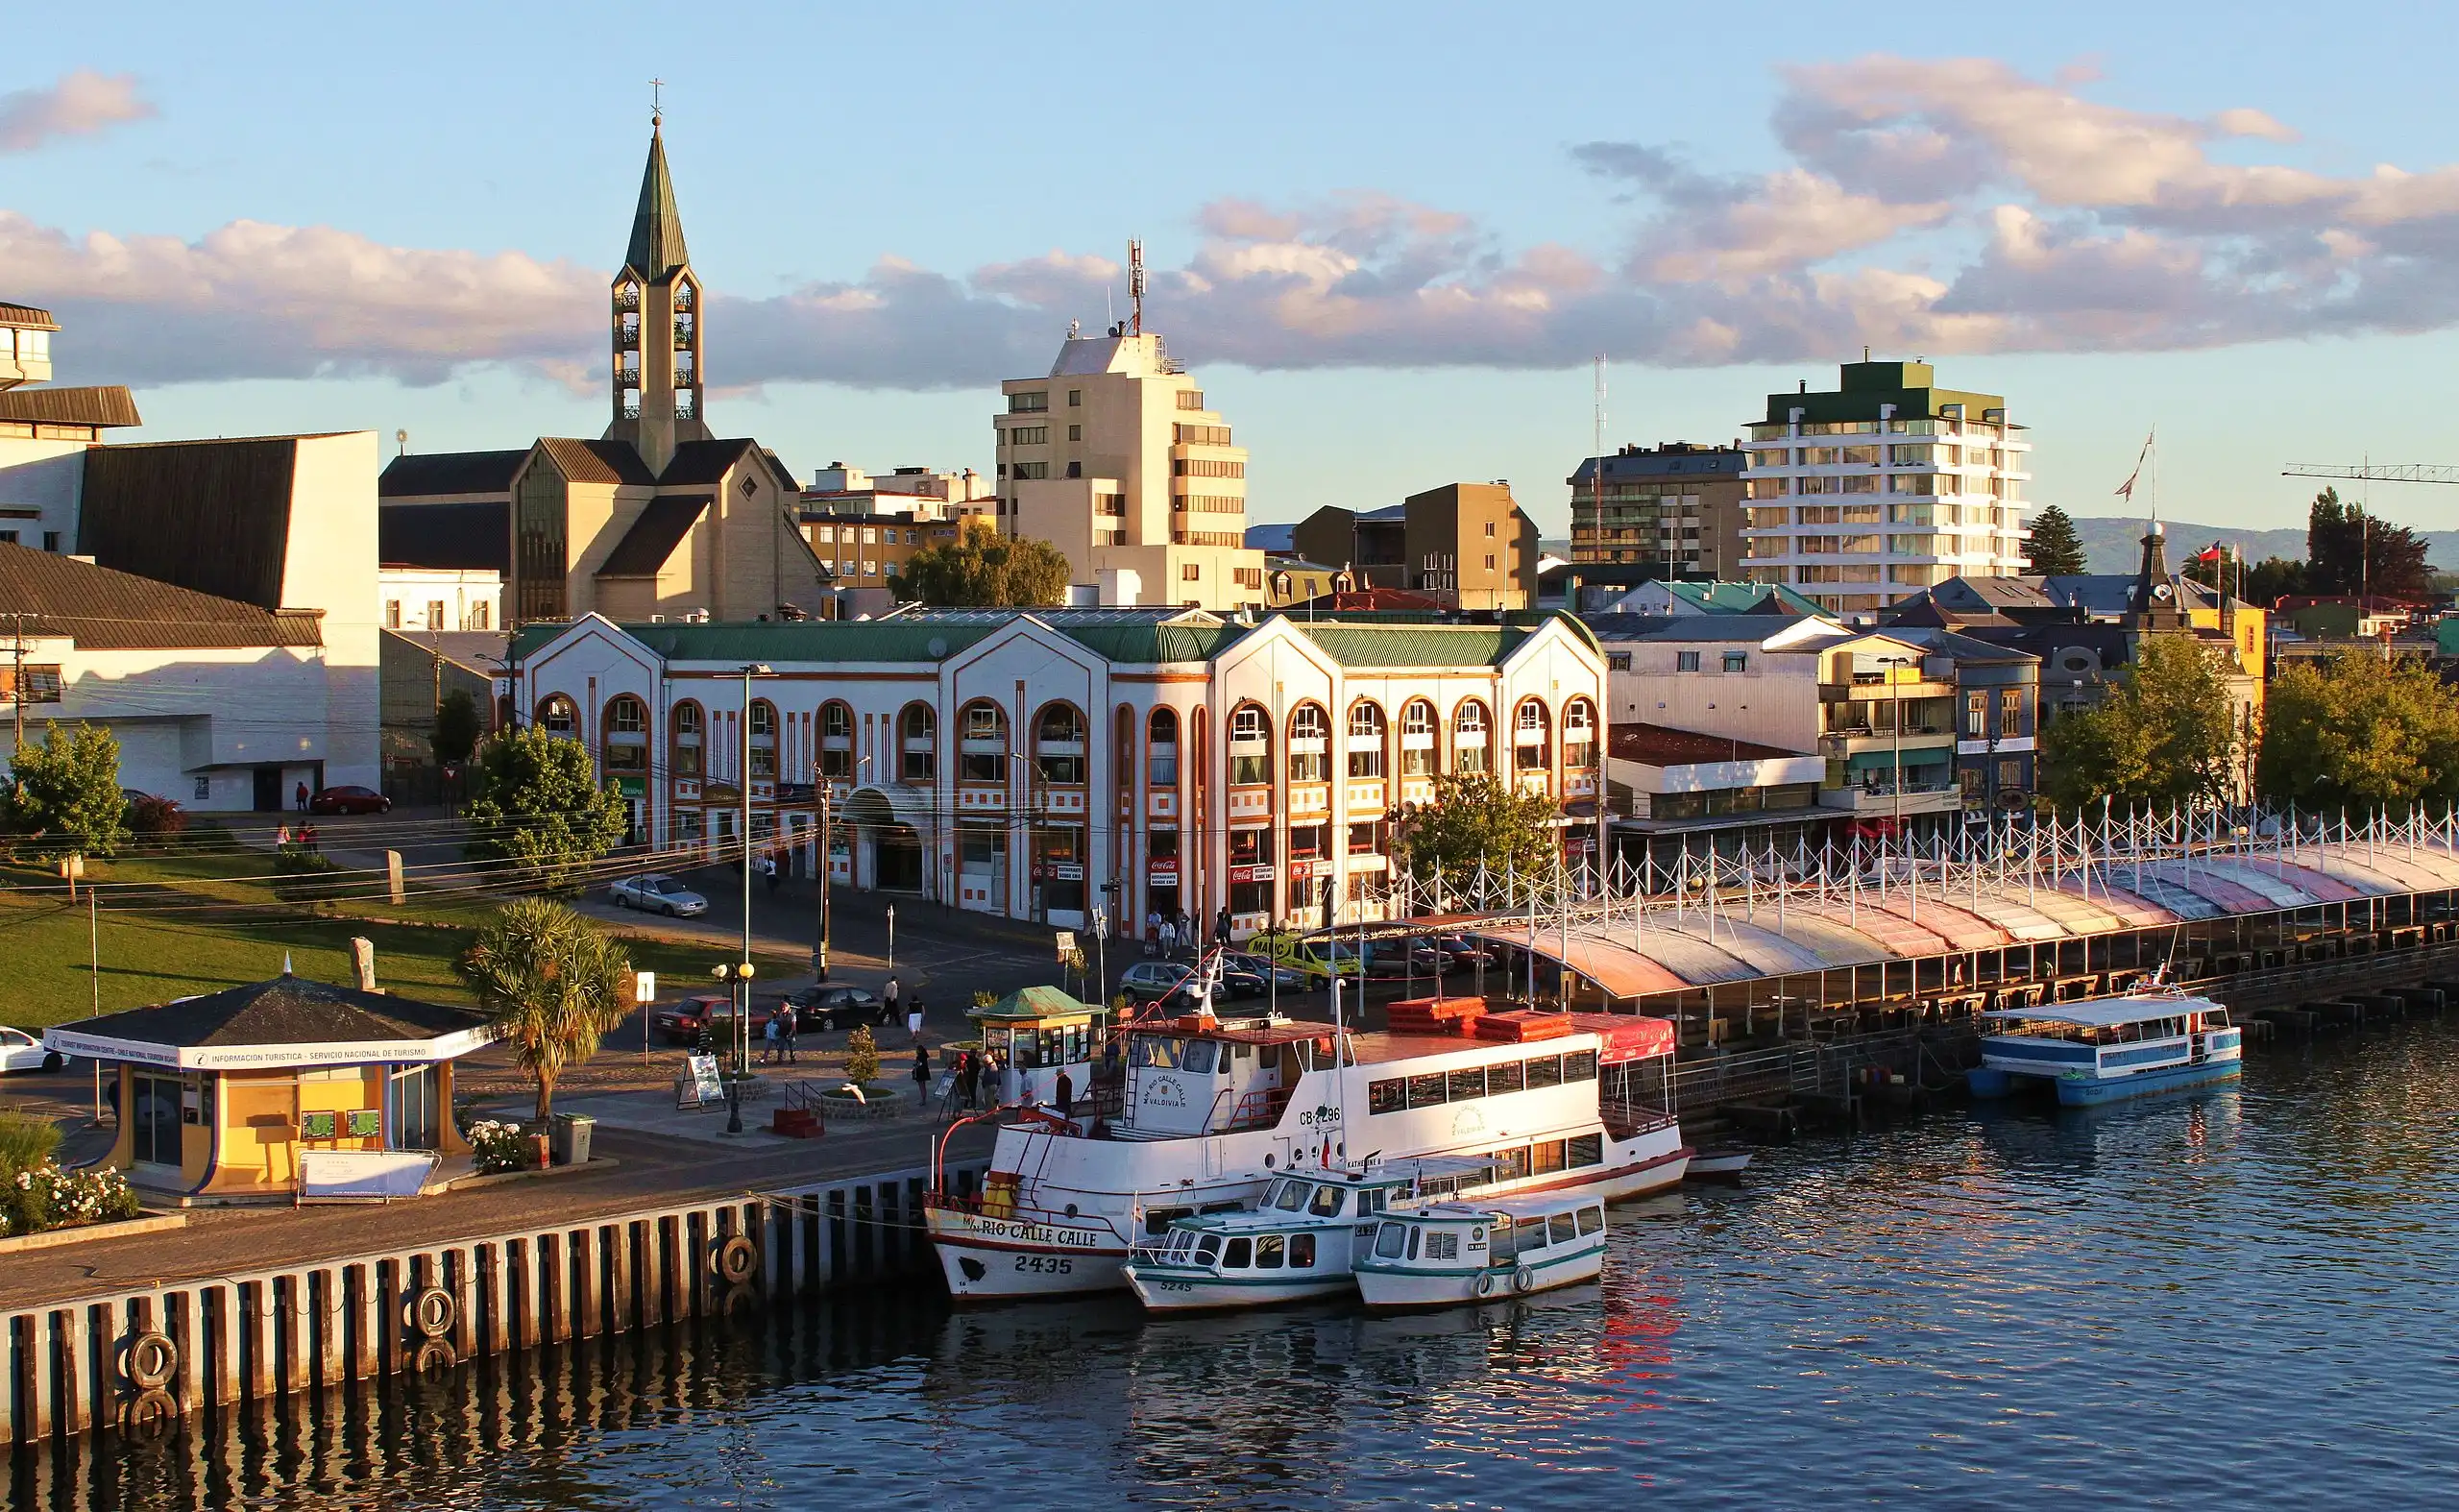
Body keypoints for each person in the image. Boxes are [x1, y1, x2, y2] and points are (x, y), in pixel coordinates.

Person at [776, 1001, 798, 1065]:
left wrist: (791, 1033)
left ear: (788, 1008)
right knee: (780, 1047)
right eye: (782, 1007)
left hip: (790, 1033)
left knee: (791, 1047)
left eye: (784, 1007)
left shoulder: (792, 1015)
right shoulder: (781, 1014)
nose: (782, 1009)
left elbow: (794, 1025)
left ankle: (793, 1059)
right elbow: (779, 1023)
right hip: (782, 1033)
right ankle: (780, 1060)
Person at [912, 1041, 931, 1107]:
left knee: (921, 1087)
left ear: (919, 1050)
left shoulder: (919, 1057)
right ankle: (924, 1099)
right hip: (925, 1072)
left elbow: (919, 1065)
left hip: (920, 1073)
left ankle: (923, 1100)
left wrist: (915, 1066)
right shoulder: (924, 1056)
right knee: (924, 1087)